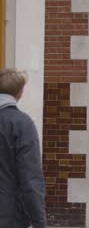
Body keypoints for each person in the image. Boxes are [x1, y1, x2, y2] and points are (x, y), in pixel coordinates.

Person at [0, 68, 46, 228]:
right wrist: (39, 221)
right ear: (20, 93)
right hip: (9, 217)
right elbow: (30, 178)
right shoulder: (22, 124)